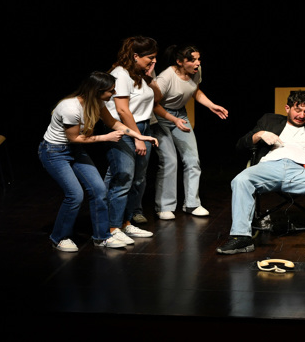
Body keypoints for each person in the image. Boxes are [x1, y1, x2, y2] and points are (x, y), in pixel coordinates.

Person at [217, 90, 305, 257]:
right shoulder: (269, 120)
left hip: (302, 170)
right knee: (241, 180)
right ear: (287, 108)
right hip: (269, 167)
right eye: (297, 110)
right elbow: (241, 145)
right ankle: (241, 237)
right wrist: (260, 134)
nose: (302, 115)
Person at [39, 71, 158, 253]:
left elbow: (114, 123)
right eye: (111, 91)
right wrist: (106, 137)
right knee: (75, 195)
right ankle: (59, 238)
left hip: (75, 151)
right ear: (97, 91)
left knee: (99, 189)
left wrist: (139, 136)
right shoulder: (70, 108)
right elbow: (74, 138)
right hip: (54, 152)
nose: (114, 93)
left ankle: (102, 237)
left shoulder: (98, 102)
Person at [151, 45, 228, 219]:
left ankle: (192, 204)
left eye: (198, 59)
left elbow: (195, 90)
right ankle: (164, 206)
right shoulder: (166, 77)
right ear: (179, 62)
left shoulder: (196, 71)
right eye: (192, 60)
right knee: (170, 160)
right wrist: (173, 119)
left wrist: (212, 106)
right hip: (160, 116)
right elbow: (154, 105)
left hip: (180, 114)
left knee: (192, 159)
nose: (197, 63)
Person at [103, 36, 159, 243]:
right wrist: (137, 137)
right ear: (135, 56)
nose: (153, 61)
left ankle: (126, 223)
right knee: (123, 177)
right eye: (150, 57)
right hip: (126, 130)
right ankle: (112, 227)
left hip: (143, 126)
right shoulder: (120, 74)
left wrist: (150, 77)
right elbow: (122, 110)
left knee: (138, 179)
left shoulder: (138, 74)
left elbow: (157, 99)